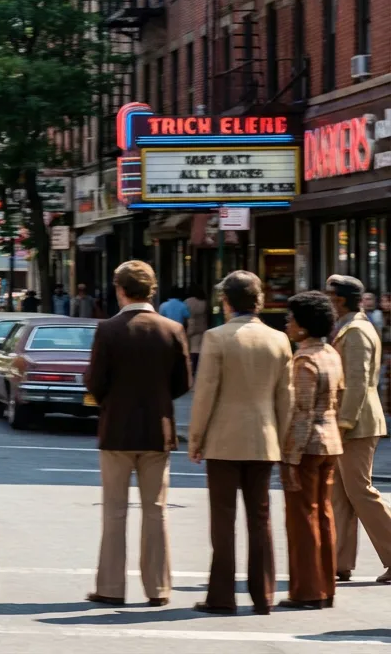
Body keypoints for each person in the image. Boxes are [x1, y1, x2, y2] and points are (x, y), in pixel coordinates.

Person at [85, 261, 190, 608]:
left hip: (116, 430)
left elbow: (95, 382)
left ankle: (111, 586)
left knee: (114, 511)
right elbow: (182, 383)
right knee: (156, 511)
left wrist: (109, 400)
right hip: (157, 432)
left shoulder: (108, 330)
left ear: (120, 290)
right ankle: (158, 587)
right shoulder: (172, 329)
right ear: (152, 290)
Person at [188, 270, 293, 615]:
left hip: (223, 438)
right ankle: (263, 595)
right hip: (264, 439)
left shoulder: (216, 337)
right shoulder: (278, 339)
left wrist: (195, 438)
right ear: (259, 301)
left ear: (227, 302)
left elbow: (204, 394)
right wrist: (281, 438)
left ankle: (222, 595)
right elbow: (285, 398)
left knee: (223, 519)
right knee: (260, 518)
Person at [278, 290, 344, 611]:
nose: (287, 324)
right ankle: (325, 586)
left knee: (302, 518)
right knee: (324, 514)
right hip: (330, 441)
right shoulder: (331, 353)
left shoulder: (304, 360)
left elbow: (301, 413)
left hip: (307, 446)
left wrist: (289, 456)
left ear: (303, 326)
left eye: (291, 319)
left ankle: (306, 590)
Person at [325, 275, 391, 583]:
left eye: (329, 295)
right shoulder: (349, 328)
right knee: (340, 494)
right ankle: (339, 562)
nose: (326, 300)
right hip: (350, 423)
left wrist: (343, 423)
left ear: (339, 299)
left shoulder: (356, 332)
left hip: (357, 424)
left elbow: (357, 383)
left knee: (360, 492)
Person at [185, 287, 208, 378]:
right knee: (197, 347)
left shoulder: (188, 301)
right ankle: (197, 367)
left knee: (191, 348)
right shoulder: (204, 302)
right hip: (202, 325)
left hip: (191, 325)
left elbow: (186, 313)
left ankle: (191, 368)